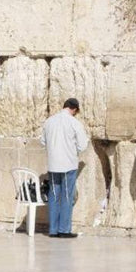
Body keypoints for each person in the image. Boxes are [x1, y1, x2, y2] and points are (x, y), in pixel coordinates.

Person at [39, 97, 89, 238]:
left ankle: (53, 230)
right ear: (74, 109)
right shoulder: (74, 122)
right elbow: (83, 145)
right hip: (68, 164)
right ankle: (64, 230)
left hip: (53, 164)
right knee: (67, 196)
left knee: (54, 196)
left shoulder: (49, 121)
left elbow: (42, 141)